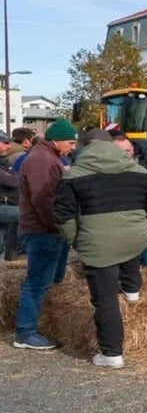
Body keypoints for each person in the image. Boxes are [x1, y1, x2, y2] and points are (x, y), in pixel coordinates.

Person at [54, 129, 147, 369]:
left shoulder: (73, 176)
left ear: (85, 147)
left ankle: (112, 353)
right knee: (128, 254)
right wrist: (139, 225)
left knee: (105, 299)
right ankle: (133, 294)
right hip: (134, 237)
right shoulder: (140, 172)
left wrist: (76, 240)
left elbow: (64, 215)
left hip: (97, 242)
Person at [14, 118, 78, 350]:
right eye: (70, 142)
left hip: (49, 230)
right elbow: (43, 199)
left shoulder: (50, 158)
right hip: (44, 231)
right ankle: (25, 333)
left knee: (51, 279)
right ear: (56, 140)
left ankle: (38, 325)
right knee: (37, 283)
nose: (73, 147)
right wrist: (58, 225)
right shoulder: (42, 160)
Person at [113, 137, 147, 267]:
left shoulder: (144, 173)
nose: (126, 154)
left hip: (146, 228)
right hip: (119, 232)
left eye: (128, 150)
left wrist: (146, 221)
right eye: (121, 151)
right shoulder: (105, 176)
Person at [0, 131, 20, 260]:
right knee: (25, 214)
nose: (9, 146)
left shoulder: (4, 162)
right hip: (3, 206)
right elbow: (13, 181)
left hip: (8, 204)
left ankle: (10, 260)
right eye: (5, 143)